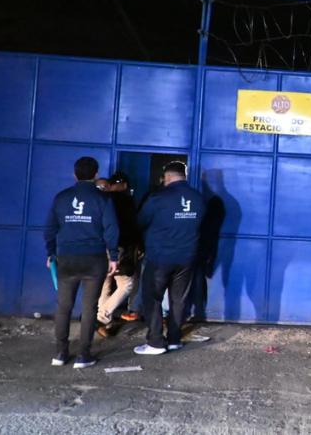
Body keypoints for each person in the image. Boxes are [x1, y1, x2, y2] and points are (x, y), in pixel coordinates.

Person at [44, 156, 119, 368]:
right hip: (94, 259)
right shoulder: (103, 199)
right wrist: (113, 256)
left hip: (67, 258)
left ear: (74, 174)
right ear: (96, 175)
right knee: (89, 308)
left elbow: (49, 229)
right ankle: (83, 355)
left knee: (63, 307)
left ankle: (60, 353)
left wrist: (51, 253)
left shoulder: (61, 198)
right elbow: (112, 229)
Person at [133, 161, 204, 355]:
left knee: (152, 297)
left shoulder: (158, 198)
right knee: (179, 299)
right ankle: (174, 339)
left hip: (160, 258)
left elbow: (140, 222)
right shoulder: (198, 198)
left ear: (168, 177)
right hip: (187, 257)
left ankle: (155, 342)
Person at [96, 172, 141, 337]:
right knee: (126, 284)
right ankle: (101, 319)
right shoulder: (125, 201)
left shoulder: (100, 200)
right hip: (117, 248)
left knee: (105, 284)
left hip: (98, 248)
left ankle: (103, 321)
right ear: (124, 185)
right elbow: (130, 227)